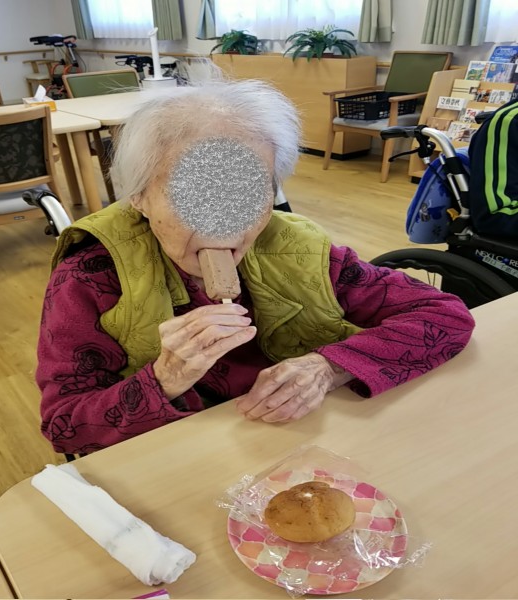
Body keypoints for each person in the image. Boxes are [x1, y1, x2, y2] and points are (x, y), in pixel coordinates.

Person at [36, 78, 475, 456]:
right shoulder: (90, 276)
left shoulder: (303, 251)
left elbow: (444, 315)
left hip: (299, 445)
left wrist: (328, 367)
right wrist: (165, 377)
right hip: (173, 458)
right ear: (138, 197)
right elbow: (64, 425)